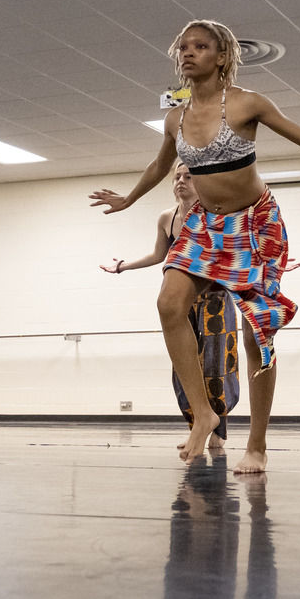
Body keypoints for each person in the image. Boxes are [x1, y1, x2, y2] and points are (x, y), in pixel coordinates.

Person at [90, 19, 300, 471]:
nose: (188, 53)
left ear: (221, 57)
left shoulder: (247, 104)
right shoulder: (175, 116)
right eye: (183, 47)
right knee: (169, 303)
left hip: (255, 225)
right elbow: (160, 164)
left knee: (257, 334)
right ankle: (203, 414)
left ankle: (257, 443)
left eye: (200, 46)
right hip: (206, 225)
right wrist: (128, 199)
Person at [102, 162, 241, 450]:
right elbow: (158, 255)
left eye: (188, 177)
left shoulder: (215, 212)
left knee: (216, 365)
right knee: (184, 367)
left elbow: (235, 248)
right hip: (183, 302)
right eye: (177, 177)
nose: (181, 181)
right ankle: (196, 426)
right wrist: (123, 267)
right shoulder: (168, 217)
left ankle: (218, 431)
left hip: (215, 298)